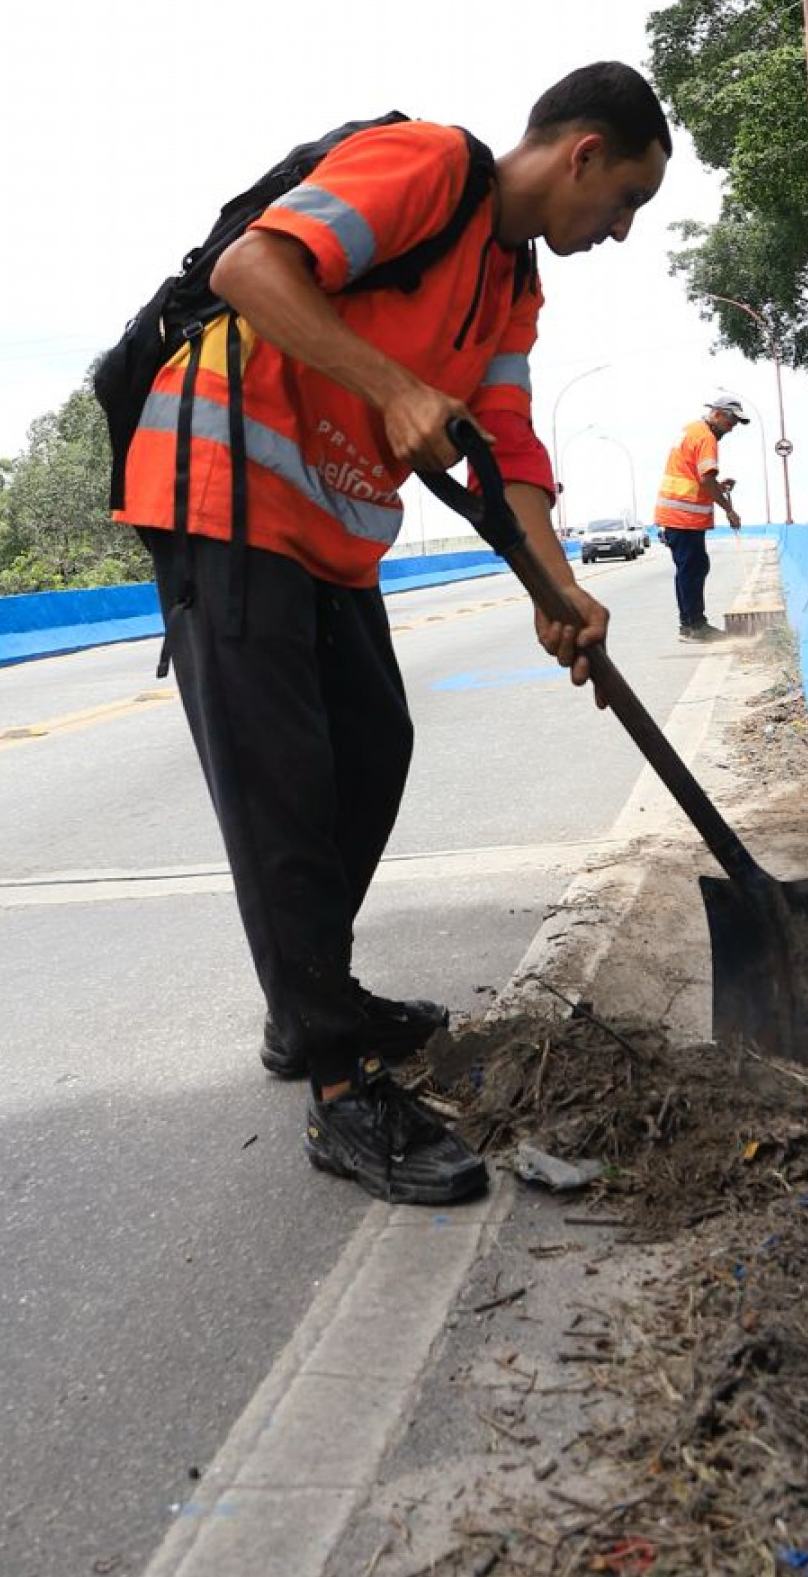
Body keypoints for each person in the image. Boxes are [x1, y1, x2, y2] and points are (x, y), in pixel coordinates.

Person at [114, 63, 673, 1207]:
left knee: (374, 750)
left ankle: (308, 999)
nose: (618, 232)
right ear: (581, 154)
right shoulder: (427, 164)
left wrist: (558, 591)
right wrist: (392, 384)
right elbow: (249, 266)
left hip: (324, 530)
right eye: (624, 201)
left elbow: (506, 447)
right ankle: (338, 1079)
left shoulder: (513, 290)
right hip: (220, 484)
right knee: (287, 790)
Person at [654, 395, 749, 640]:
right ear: (717, 414)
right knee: (692, 569)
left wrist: (719, 486)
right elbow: (705, 479)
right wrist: (729, 509)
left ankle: (689, 624)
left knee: (690, 568)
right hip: (684, 516)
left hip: (676, 515)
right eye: (730, 424)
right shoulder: (706, 437)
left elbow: (698, 476)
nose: (731, 430)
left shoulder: (691, 430)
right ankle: (694, 626)